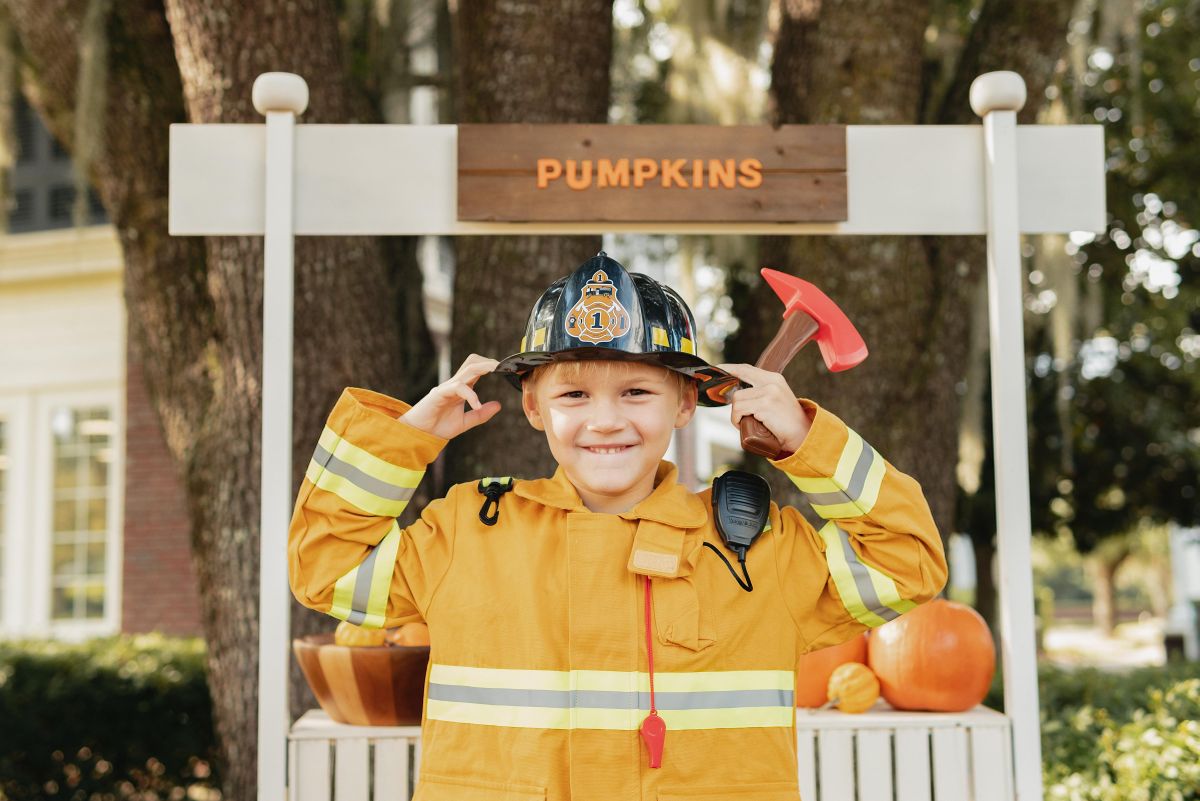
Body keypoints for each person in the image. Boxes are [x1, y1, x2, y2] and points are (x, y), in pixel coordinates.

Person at [288, 251, 947, 801]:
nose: (605, 420)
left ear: (686, 401)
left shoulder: (759, 548)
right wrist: (400, 441)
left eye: (636, 391)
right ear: (533, 406)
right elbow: (326, 567)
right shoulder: (469, 530)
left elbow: (908, 558)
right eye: (573, 394)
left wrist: (809, 441)